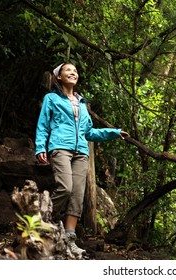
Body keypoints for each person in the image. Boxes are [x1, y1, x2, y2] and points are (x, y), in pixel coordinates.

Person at [35, 62, 128, 256]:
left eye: (75, 71)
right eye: (68, 70)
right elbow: (43, 125)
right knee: (65, 187)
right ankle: (42, 221)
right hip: (60, 147)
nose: (73, 73)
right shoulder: (51, 98)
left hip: (81, 152)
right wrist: (40, 147)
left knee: (77, 195)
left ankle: (69, 239)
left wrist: (114, 132)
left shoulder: (82, 103)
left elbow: (89, 132)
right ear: (58, 77)